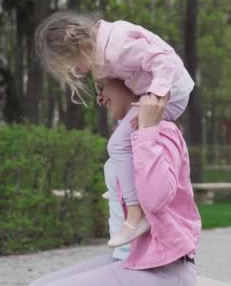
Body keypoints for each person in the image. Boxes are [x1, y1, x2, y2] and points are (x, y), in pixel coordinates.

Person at [35, 12, 194, 246]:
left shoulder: (117, 49)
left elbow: (164, 59)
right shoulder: (106, 47)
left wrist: (155, 95)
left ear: (76, 44)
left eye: (72, 65)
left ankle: (135, 213)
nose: (77, 72)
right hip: (159, 91)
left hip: (172, 93)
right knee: (124, 136)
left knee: (118, 144)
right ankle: (126, 188)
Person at [29, 78, 201, 286]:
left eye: (102, 87)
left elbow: (156, 199)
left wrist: (147, 131)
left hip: (165, 269)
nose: (99, 98)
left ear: (130, 82)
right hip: (131, 260)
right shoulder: (129, 135)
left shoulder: (162, 131)